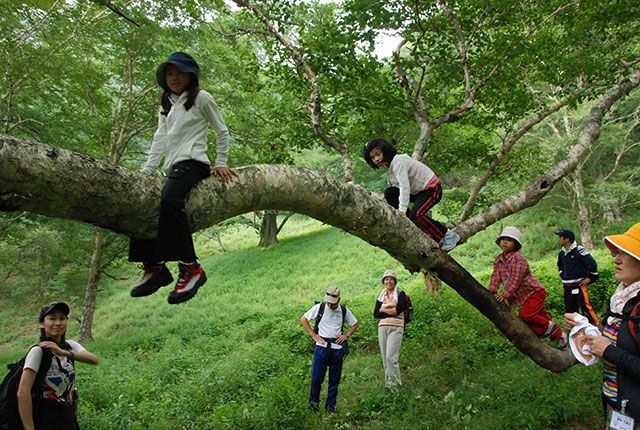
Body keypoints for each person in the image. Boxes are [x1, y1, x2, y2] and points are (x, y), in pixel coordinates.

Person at [128, 52, 235, 304]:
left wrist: (221, 162)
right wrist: (147, 171)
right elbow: (159, 138)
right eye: (169, 73)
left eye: (179, 72)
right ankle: (154, 267)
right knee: (147, 202)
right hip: (172, 168)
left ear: (191, 75)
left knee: (170, 200)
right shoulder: (167, 103)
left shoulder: (202, 98)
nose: (174, 78)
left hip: (194, 163)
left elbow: (222, 130)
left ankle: (191, 266)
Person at [565, 223, 640, 424]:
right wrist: (583, 327)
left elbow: (613, 349)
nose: (616, 259)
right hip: (617, 403)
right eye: (617, 253)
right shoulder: (621, 299)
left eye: (626, 253)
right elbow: (615, 336)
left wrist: (609, 352)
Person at [363, 138, 460, 252]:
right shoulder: (391, 168)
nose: (376, 159)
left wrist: (402, 211)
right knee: (390, 192)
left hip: (432, 189)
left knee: (417, 215)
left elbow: (405, 187)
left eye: (378, 154)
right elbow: (397, 189)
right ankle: (412, 223)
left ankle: (449, 235)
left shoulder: (398, 162)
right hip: (418, 192)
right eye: (373, 157)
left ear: (385, 150)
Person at [17, 302, 99, 430]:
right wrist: (29, 427)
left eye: (62, 318)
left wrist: (63, 352)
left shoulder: (70, 345)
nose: (58, 323)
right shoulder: (38, 351)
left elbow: (94, 360)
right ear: (42, 324)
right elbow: (23, 392)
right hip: (46, 416)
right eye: (52, 318)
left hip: (68, 412)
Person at [488, 226, 568, 349]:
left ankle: (548, 326)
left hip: (533, 292)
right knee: (541, 316)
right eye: (503, 239)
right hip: (522, 296)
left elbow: (515, 280)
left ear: (515, 244)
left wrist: (504, 295)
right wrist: (491, 291)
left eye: (509, 240)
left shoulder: (518, 259)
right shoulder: (499, 259)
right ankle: (561, 335)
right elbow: (496, 276)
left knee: (526, 316)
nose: (505, 242)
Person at [300, 287, 359, 413]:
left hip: (337, 349)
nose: (330, 304)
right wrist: (313, 335)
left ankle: (330, 407)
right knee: (316, 379)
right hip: (321, 348)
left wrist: (346, 335)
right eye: (329, 302)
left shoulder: (343, 310)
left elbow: (354, 323)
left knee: (334, 380)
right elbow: (303, 319)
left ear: (339, 300)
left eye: (333, 302)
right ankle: (313, 406)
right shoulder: (320, 308)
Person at [555, 228, 599, 324]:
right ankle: (575, 330)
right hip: (567, 287)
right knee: (570, 309)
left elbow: (592, 265)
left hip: (579, 286)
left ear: (567, 239)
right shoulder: (562, 253)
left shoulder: (579, 250)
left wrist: (590, 277)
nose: (559, 240)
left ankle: (595, 326)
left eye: (560, 237)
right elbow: (560, 265)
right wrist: (562, 275)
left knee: (585, 307)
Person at [373, 269, 407, 388]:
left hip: (396, 327)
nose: (389, 281)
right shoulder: (381, 296)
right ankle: (389, 385)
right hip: (382, 328)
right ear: (383, 281)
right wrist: (390, 312)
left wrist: (383, 310)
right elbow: (376, 314)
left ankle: (396, 385)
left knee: (391, 357)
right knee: (384, 357)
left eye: (391, 279)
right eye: (386, 279)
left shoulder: (401, 294)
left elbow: (398, 310)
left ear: (395, 281)